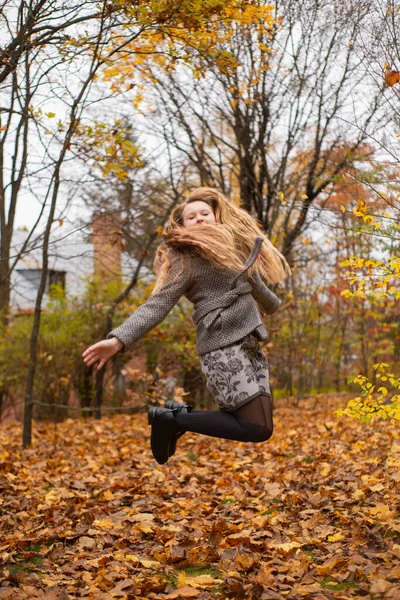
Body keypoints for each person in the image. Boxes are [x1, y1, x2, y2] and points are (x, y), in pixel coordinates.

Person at [82, 187, 291, 464]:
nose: (200, 218)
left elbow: (266, 299)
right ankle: (171, 420)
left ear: (217, 216)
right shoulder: (185, 259)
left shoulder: (234, 251)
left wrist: (260, 289)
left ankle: (174, 418)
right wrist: (118, 339)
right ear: (183, 225)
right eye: (192, 217)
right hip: (222, 347)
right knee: (251, 426)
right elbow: (157, 305)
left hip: (251, 343)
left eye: (205, 213)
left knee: (262, 429)